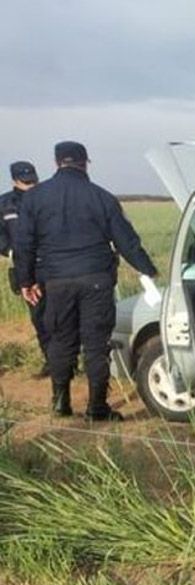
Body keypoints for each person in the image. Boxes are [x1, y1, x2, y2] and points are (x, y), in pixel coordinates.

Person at [13, 141, 159, 421]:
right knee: (95, 344)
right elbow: (126, 241)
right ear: (85, 163)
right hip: (96, 281)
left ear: (56, 163)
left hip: (55, 282)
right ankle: (97, 408)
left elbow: (24, 245)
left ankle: (60, 403)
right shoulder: (101, 197)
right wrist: (147, 269)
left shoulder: (34, 198)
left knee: (60, 341)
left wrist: (26, 281)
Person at [0, 161, 50, 376]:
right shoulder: (5, 204)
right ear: (14, 180)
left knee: (61, 315)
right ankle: (51, 361)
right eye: (25, 180)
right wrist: (9, 251)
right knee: (39, 317)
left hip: (51, 265)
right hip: (25, 268)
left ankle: (68, 361)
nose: (30, 184)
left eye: (33, 179)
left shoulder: (48, 197)